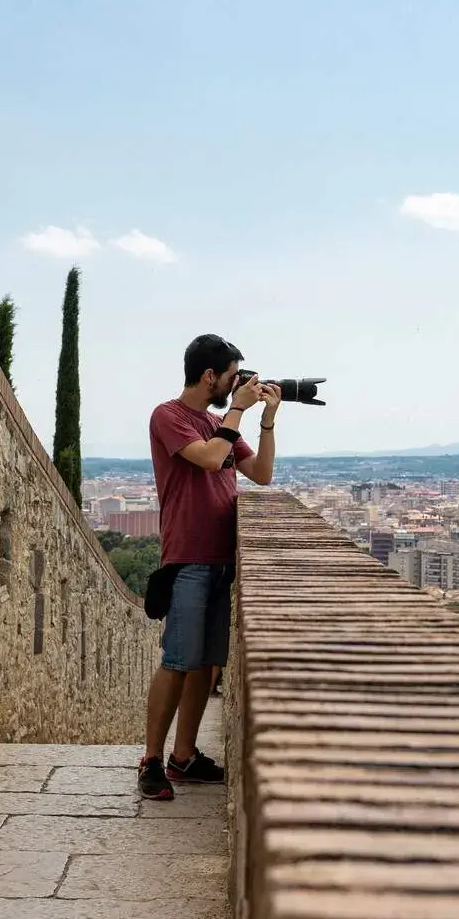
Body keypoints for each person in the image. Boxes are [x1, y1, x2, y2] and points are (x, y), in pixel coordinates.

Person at [137, 334, 278, 801]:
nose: (237, 384)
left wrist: (268, 423)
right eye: (233, 376)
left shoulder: (219, 421)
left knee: (205, 667)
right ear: (209, 376)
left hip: (221, 559)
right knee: (178, 661)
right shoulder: (169, 416)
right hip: (188, 557)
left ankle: (184, 756)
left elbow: (260, 475)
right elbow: (211, 458)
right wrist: (237, 411)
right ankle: (151, 760)